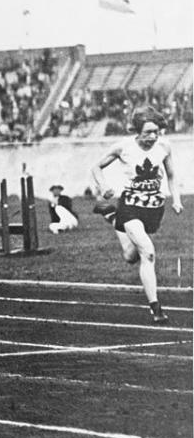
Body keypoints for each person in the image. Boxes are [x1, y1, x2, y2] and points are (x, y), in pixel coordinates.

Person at [90, 107, 183, 323]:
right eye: (148, 132)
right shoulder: (123, 147)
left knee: (131, 256)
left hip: (153, 209)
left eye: (156, 132)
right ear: (137, 130)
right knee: (148, 252)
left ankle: (112, 217)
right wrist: (103, 186)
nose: (152, 137)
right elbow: (96, 167)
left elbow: (171, 175)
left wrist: (176, 199)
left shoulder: (164, 147)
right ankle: (156, 308)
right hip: (130, 206)